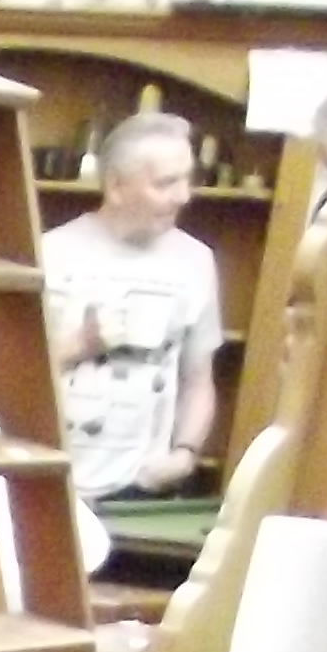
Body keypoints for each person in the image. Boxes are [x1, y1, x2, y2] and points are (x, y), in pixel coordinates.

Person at [44, 109, 224, 503]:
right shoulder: (50, 254)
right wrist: (77, 346)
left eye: (187, 180)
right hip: (49, 483)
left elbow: (198, 379)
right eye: (166, 183)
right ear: (117, 186)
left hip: (139, 490)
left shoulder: (196, 261)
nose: (184, 196)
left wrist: (185, 454)